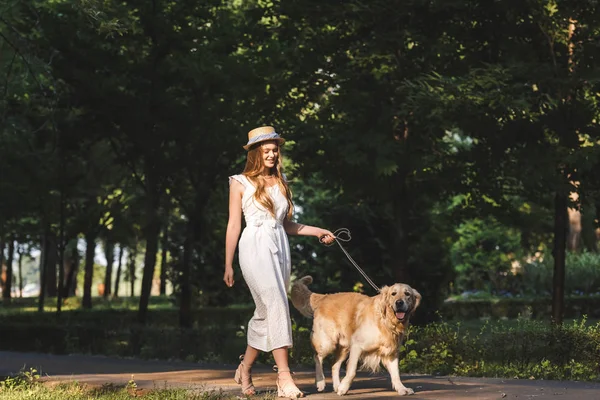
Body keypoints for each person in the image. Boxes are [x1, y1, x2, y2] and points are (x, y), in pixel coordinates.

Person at [224, 126, 335, 398]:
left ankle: (244, 369)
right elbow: (233, 225)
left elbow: (286, 225)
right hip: (253, 247)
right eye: (267, 151)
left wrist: (318, 230)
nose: (272, 154)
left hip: (279, 248)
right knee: (276, 303)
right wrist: (228, 263)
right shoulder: (240, 182)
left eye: (275, 150)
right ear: (255, 153)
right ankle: (284, 377)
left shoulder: (281, 180)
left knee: (266, 314)